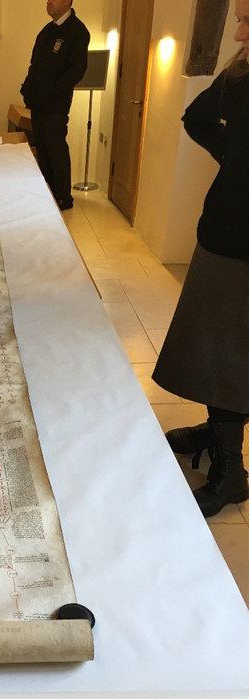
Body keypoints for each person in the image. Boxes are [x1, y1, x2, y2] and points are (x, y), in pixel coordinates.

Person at [152, 0, 249, 518]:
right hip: (222, 236)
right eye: (236, 16)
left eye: (248, 18)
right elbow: (197, 117)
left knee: (234, 359)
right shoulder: (240, 74)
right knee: (215, 352)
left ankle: (232, 471)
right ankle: (218, 431)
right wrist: (233, 159)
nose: (237, 30)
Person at [20, 0, 89, 211]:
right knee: (42, 149)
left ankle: (63, 197)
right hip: (38, 104)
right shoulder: (46, 31)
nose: (48, 2)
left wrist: (55, 93)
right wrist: (27, 90)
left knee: (56, 148)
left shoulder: (77, 31)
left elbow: (77, 70)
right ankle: (47, 192)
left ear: (68, 2)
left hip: (56, 106)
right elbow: (35, 66)